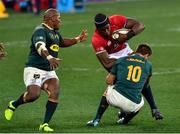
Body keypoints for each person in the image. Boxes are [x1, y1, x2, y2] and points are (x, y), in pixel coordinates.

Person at [4, 8, 87, 132]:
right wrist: (49, 57)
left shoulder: (54, 32)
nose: (60, 21)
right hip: (34, 69)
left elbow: (62, 41)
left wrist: (78, 39)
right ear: (51, 19)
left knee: (55, 91)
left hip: (48, 71)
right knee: (33, 95)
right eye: (58, 18)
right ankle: (13, 104)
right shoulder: (40, 31)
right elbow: (39, 46)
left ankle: (44, 124)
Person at [87, 13, 163, 126]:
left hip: (126, 52)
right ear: (97, 29)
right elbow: (107, 63)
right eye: (103, 30)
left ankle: (154, 108)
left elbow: (140, 25)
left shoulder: (116, 20)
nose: (107, 32)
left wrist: (128, 35)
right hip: (113, 59)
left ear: (110, 23)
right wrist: (127, 61)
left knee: (140, 78)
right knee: (119, 84)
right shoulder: (96, 39)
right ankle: (100, 118)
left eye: (107, 28)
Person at [101, 43, 153, 125]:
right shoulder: (148, 64)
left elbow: (108, 81)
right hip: (132, 105)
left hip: (114, 100)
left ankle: (96, 119)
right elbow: (146, 85)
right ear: (146, 55)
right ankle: (124, 121)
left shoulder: (122, 59)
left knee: (109, 87)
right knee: (140, 100)